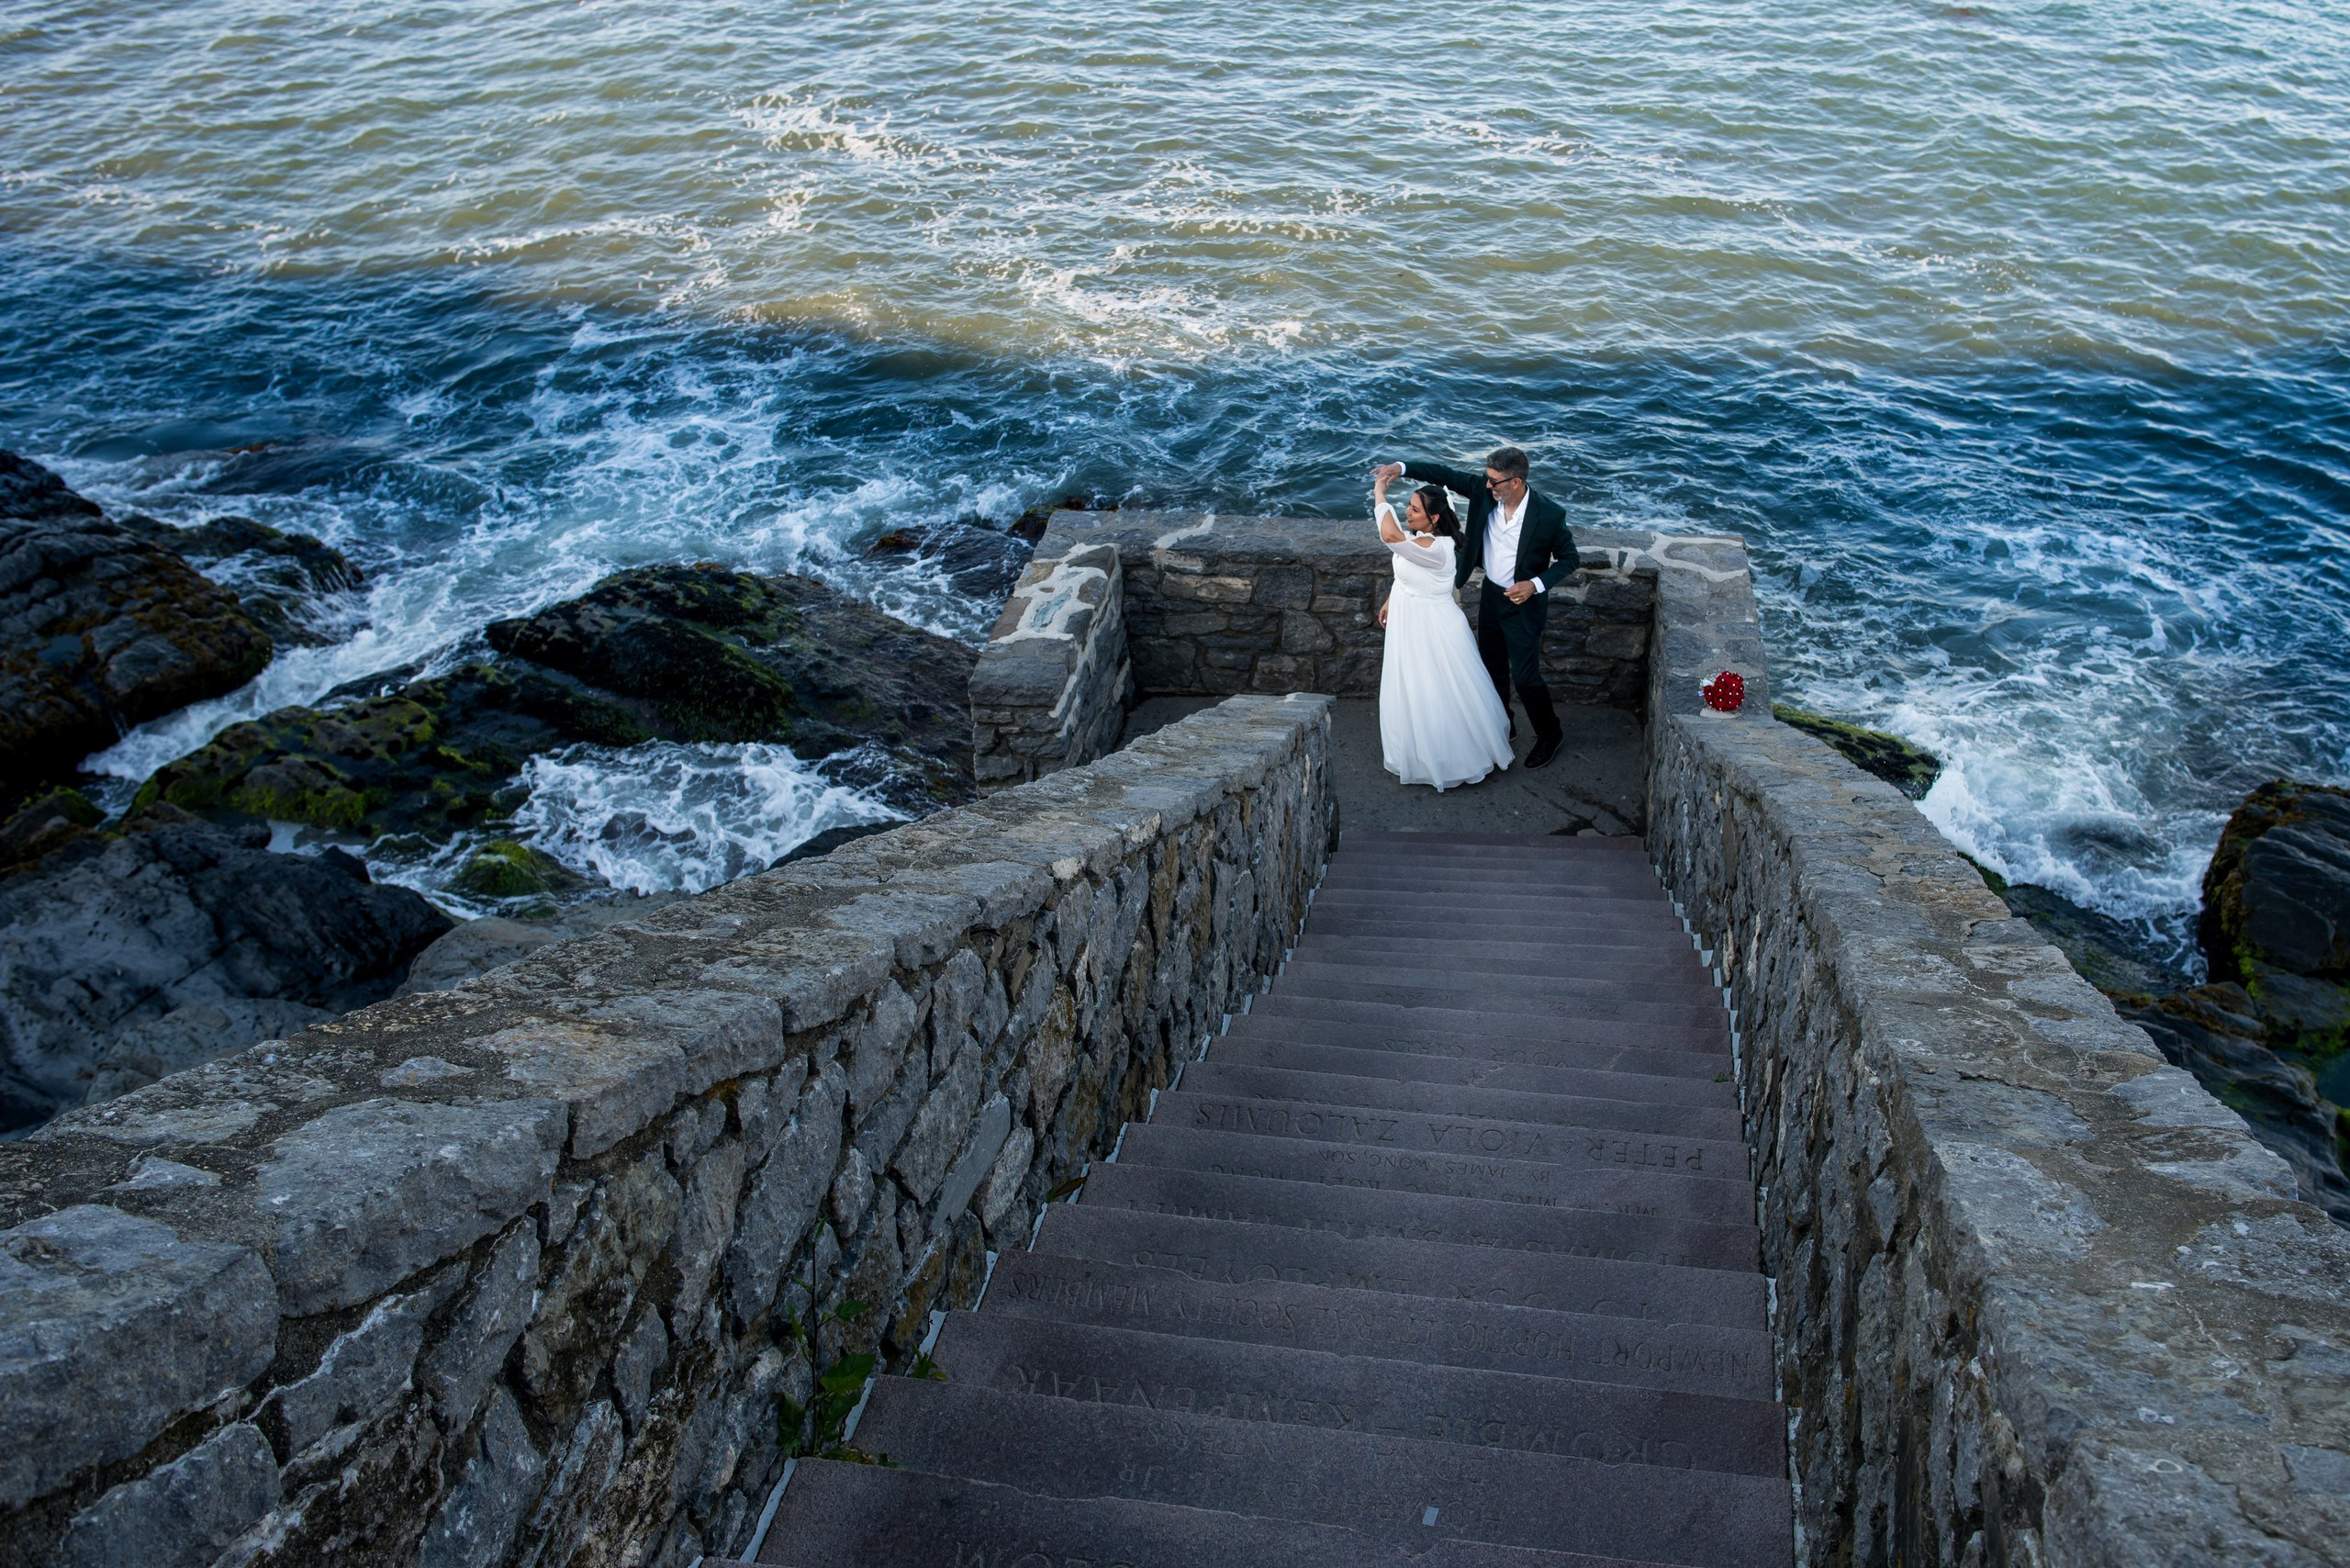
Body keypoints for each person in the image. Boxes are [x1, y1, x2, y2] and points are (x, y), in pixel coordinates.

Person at [1371, 446, 1576, 768]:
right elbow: (1444, 475)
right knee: (1492, 668)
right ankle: (1500, 725)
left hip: (1523, 603)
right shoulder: (1485, 493)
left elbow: (1570, 559)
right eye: (1488, 478)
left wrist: (1534, 584)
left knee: (1525, 677)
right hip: (1491, 598)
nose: (1488, 485)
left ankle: (1549, 733)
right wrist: (1401, 467)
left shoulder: (1549, 515)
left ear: (1517, 482)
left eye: (1495, 481)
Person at [1371, 469, 1514, 790]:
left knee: (1435, 689)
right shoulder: (1418, 541)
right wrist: (1391, 600)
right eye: (1407, 505)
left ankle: (1449, 757)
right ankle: (1417, 753)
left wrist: (1380, 493)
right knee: (1411, 687)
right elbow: (1406, 570)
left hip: (1432, 626)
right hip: (1408, 617)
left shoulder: (1439, 549)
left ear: (1434, 519)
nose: (1407, 511)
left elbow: (1391, 537)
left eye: (1415, 509)